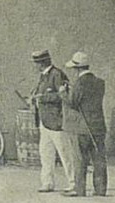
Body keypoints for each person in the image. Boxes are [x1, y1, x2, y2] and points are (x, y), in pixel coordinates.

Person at [30, 48, 82, 193]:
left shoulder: (57, 75)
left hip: (57, 121)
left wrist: (41, 98)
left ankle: (73, 182)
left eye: (36, 63)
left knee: (66, 153)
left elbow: (64, 96)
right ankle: (47, 182)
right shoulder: (43, 76)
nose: (34, 66)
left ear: (41, 63)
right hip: (45, 121)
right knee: (46, 153)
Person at [64, 51, 108, 196]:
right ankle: (101, 190)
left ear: (77, 69)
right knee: (99, 159)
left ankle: (80, 189)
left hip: (83, 127)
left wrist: (63, 94)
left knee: (80, 159)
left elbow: (73, 103)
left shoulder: (79, 83)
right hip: (98, 125)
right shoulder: (100, 82)